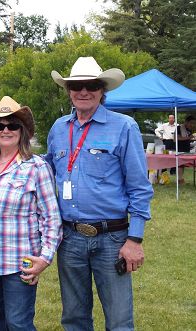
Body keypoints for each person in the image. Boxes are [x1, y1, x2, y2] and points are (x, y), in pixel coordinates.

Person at [46, 57, 154, 330]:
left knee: (119, 321)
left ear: (102, 89)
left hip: (113, 239)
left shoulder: (124, 126)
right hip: (69, 238)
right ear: (69, 90)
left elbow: (140, 187)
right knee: (74, 318)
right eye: (77, 85)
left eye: (91, 85)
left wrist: (135, 240)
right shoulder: (59, 128)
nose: (84, 91)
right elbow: (45, 174)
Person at [0, 96, 62, 330]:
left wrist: (45, 258)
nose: (5, 130)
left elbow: (51, 218)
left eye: (12, 125)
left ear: (23, 131)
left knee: (18, 323)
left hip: (19, 262)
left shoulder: (36, 167)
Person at [174, 115, 196, 184]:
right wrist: (189, 137)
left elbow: (188, 139)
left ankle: (180, 179)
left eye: (193, 123)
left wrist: (193, 139)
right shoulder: (178, 128)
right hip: (179, 149)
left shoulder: (188, 129)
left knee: (182, 165)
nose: (192, 125)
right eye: (191, 123)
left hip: (186, 149)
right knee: (180, 165)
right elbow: (176, 139)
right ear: (186, 122)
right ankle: (179, 180)